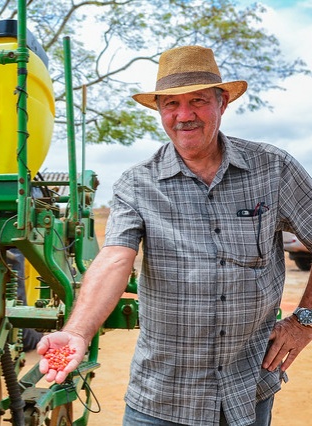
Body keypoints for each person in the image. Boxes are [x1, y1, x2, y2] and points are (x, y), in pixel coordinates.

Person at [37, 45, 312, 426]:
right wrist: (78, 332)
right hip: (163, 397)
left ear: (222, 102)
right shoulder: (137, 183)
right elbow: (115, 257)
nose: (184, 115)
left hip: (247, 391)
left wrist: (304, 321)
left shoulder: (273, 168)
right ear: (159, 110)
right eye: (171, 104)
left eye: (197, 100)